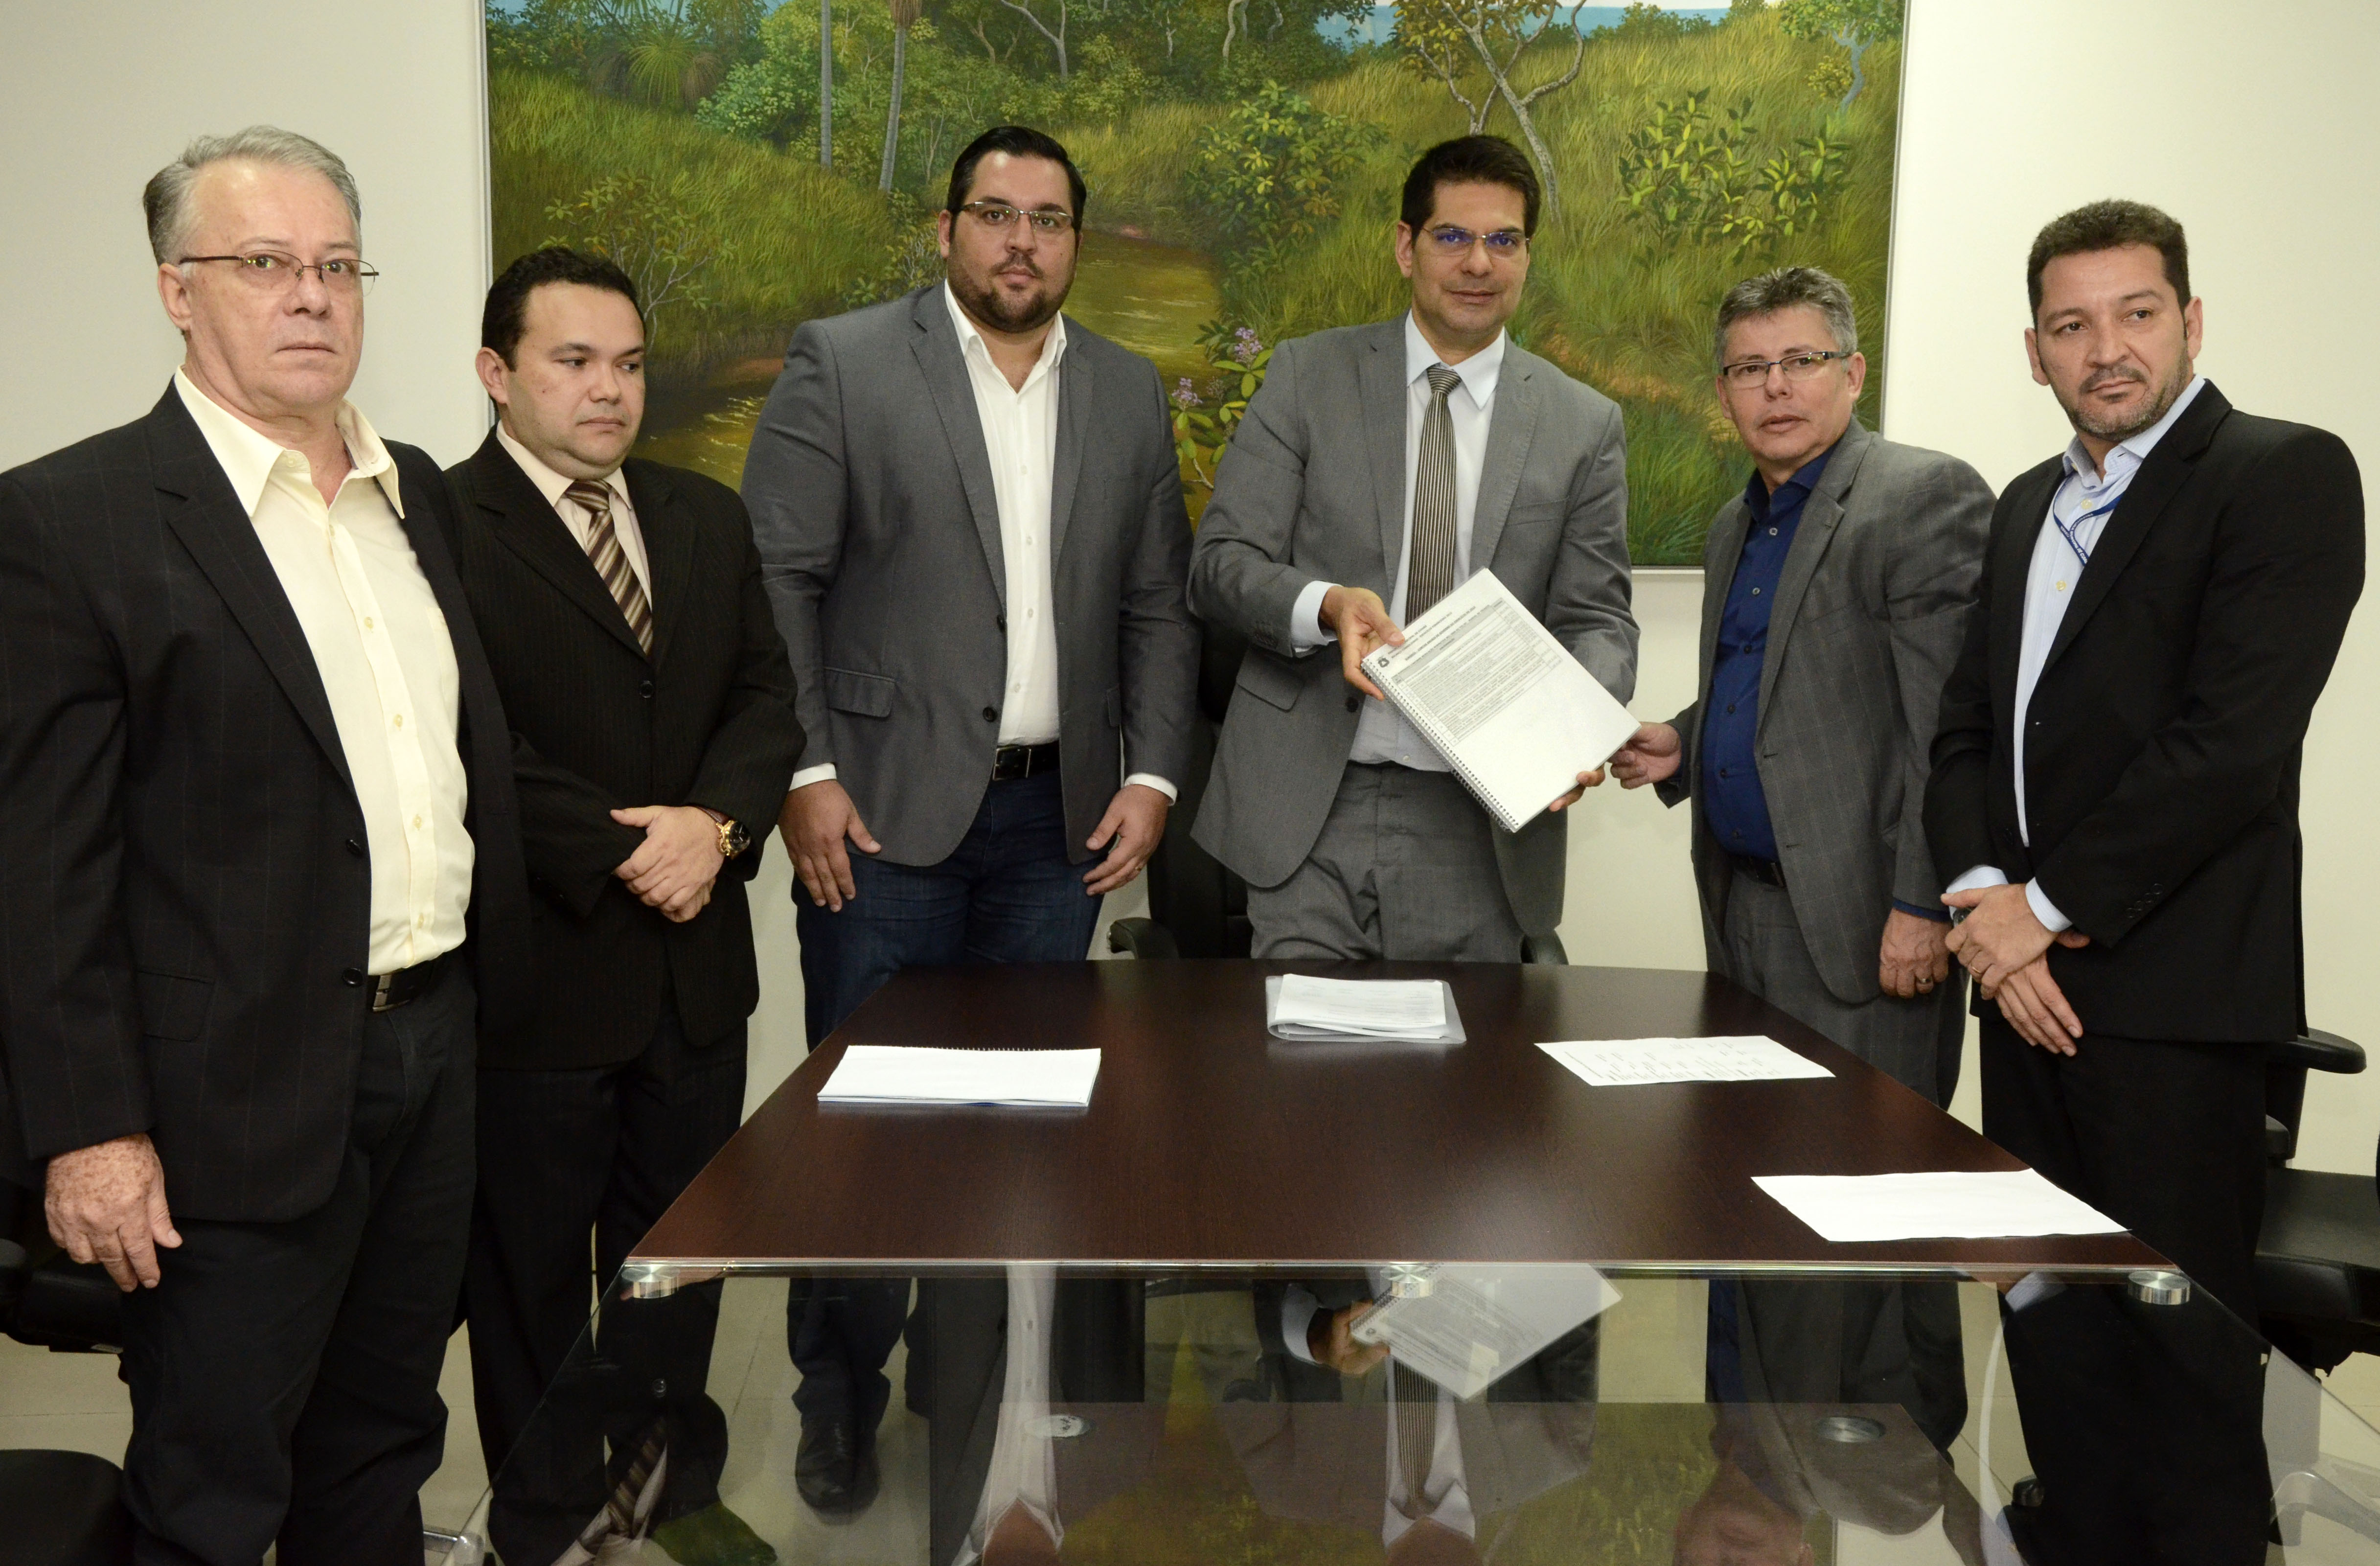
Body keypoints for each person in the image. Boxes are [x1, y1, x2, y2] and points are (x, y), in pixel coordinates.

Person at [0, 126, 532, 1564]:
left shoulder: (415, 494)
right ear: (177, 291)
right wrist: (89, 1134)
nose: (311, 295)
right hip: (223, 1100)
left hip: (430, 1053)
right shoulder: (71, 519)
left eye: (337, 266)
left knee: (383, 1444)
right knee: (216, 1483)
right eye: (264, 263)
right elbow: (41, 872)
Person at [740, 125, 1198, 1515]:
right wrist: (805, 771)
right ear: (946, 230)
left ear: (1075, 242)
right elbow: (778, 581)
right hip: (879, 825)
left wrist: (1153, 777)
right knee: (865, 1135)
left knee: (1019, 1132)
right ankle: (836, 1397)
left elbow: (1156, 603)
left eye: (1048, 220)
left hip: (1061, 832)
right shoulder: (844, 362)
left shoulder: (1124, 388)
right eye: (996, 214)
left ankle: (979, 1382)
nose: (1021, 242)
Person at [1923, 199, 2364, 1564]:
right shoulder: (2023, 506)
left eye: (2136, 313)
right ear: (2034, 351)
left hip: (2171, 1007)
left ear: (2190, 320)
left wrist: (2036, 915)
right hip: (2024, 1001)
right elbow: (1965, 729)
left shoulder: (2282, 474)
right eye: (2070, 325)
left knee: (2183, 1383)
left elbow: (2228, 746)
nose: (2104, 348)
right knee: (2053, 1341)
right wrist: (1987, 907)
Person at [445, 247, 801, 1566]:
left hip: (694, 980)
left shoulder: (703, 513)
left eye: (631, 365)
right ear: (497, 373)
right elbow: (469, 742)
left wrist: (717, 828)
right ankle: (547, 1526)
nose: (611, 390)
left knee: (679, 1270)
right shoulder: (439, 525)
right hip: (544, 979)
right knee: (533, 1286)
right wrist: (632, 852)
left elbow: (765, 698)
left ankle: (661, 1505)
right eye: (575, 361)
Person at [1188, 135, 1636, 961]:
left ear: (1527, 256)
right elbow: (1220, 564)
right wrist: (1327, 605)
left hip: (1479, 819)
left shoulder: (1583, 424)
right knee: (1303, 1041)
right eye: (1452, 236)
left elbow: (1599, 620)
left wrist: (1579, 729)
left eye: (1504, 240)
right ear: (1406, 246)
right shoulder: (1307, 377)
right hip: (1308, 798)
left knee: (1461, 1048)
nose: (1479, 263)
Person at [1609, 265, 1992, 1107]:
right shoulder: (1732, 525)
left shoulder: (1922, 496)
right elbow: (1780, 680)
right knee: (1739, 1158)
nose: (1776, 387)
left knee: (1859, 1173)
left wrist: (1924, 908)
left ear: (1853, 374)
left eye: (1802, 361)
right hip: (1739, 911)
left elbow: (1951, 730)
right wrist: (1684, 741)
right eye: (1751, 368)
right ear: (1724, 393)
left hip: (1867, 926)